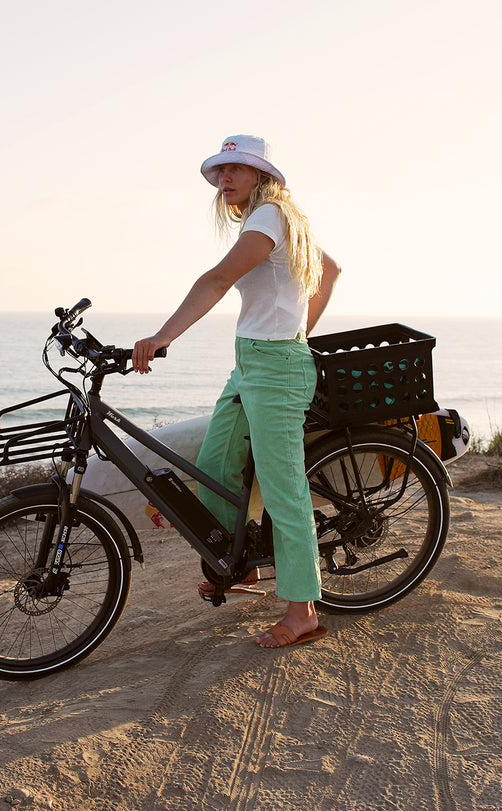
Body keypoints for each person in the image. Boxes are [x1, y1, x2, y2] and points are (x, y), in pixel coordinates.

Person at [132, 134, 341, 649]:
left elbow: (219, 278)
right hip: (253, 360)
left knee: (282, 483)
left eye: (237, 169)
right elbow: (330, 270)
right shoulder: (273, 218)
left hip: (275, 369)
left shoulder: (270, 215)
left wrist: (162, 337)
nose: (226, 177)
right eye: (221, 169)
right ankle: (240, 563)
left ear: (261, 176)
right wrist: (297, 329)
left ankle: (303, 610)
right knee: (218, 459)